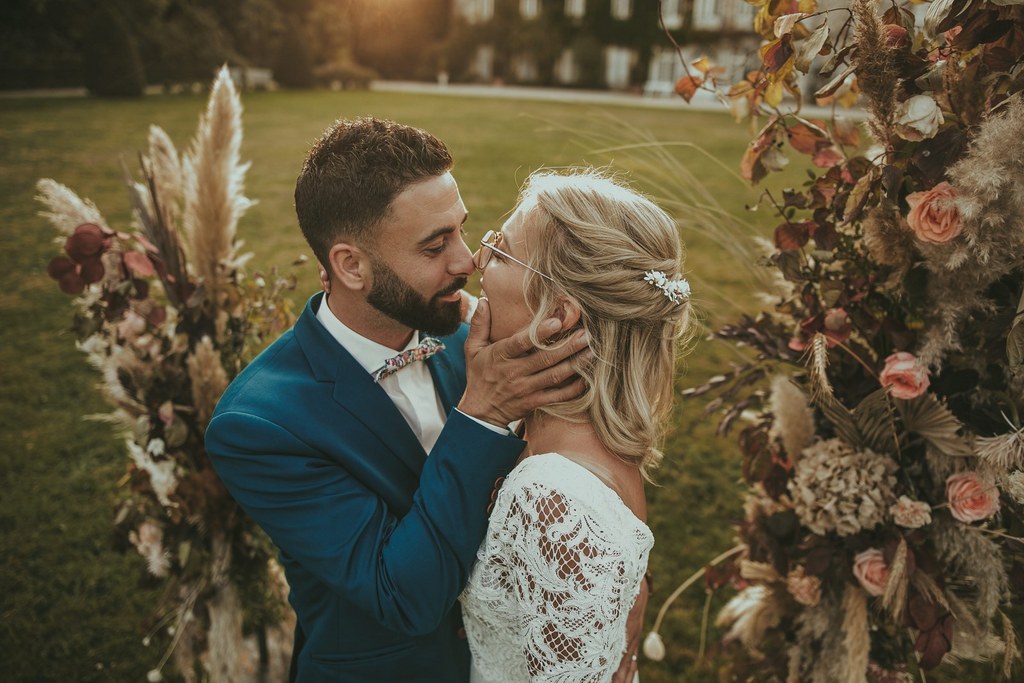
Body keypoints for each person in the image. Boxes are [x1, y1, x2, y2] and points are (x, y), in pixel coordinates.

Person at [204, 117, 592, 683]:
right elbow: (402, 595)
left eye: (461, 230)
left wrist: (616, 579)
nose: (468, 261)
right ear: (351, 265)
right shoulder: (259, 425)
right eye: (436, 245)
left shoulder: (472, 338)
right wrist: (481, 416)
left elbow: (573, 470)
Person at [459, 169, 693, 683]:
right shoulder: (582, 440)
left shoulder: (552, 498)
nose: (478, 260)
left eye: (500, 250)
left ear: (558, 315)